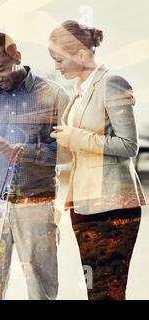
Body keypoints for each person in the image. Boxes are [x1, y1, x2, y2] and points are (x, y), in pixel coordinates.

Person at [0, 32, 70, 300]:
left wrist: (20, 152)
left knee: (41, 289)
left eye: (2, 68)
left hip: (36, 204)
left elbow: (68, 154)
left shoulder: (53, 95)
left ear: (17, 57)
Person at [49, 20, 146, 300]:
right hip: (85, 204)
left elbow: (128, 145)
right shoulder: (80, 90)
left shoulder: (113, 83)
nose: (56, 66)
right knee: (94, 291)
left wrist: (76, 137)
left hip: (113, 204)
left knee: (109, 293)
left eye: (59, 59)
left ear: (81, 55)